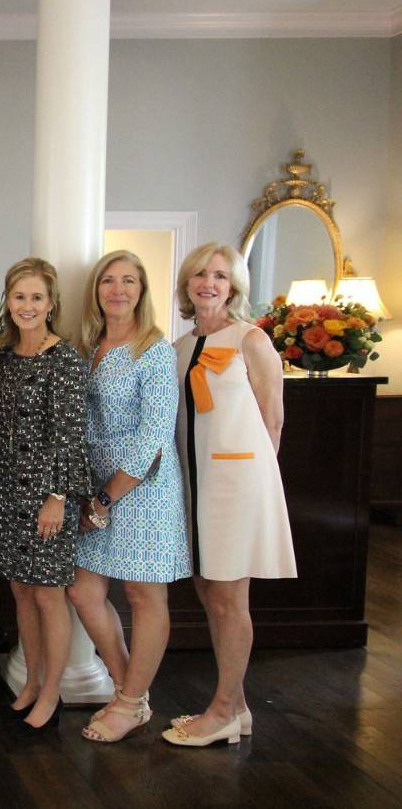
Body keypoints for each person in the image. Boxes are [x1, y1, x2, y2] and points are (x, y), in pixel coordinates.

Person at [164, 244, 296, 747]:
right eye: (199, 273)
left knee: (228, 598)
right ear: (187, 283)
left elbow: (273, 421)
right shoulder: (178, 346)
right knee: (207, 591)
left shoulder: (251, 340)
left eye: (220, 275)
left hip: (236, 486)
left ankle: (220, 711)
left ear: (234, 285)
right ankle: (237, 706)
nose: (208, 282)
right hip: (193, 486)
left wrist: (252, 482)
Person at [66, 250, 190, 743]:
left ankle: (130, 700)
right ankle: (127, 690)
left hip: (142, 486)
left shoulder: (155, 350)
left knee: (143, 593)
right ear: (96, 290)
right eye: (108, 281)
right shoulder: (88, 345)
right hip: (96, 485)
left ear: (142, 291)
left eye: (129, 281)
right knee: (83, 591)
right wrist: (90, 493)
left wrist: (105, 498)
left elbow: (154, 437)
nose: (118, 290)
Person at [0, 257, 91, 732]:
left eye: (36, 298)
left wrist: (58, 497)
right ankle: (30, 682)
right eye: (19, 296)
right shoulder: (3, 357)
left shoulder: (64, 358)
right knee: (20, 591)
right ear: (8, 302)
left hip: (50, 495)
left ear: (51, 304)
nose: (26, 306)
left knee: (49, 594)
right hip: (9, 490)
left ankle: (52, 692)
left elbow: (70, 436)